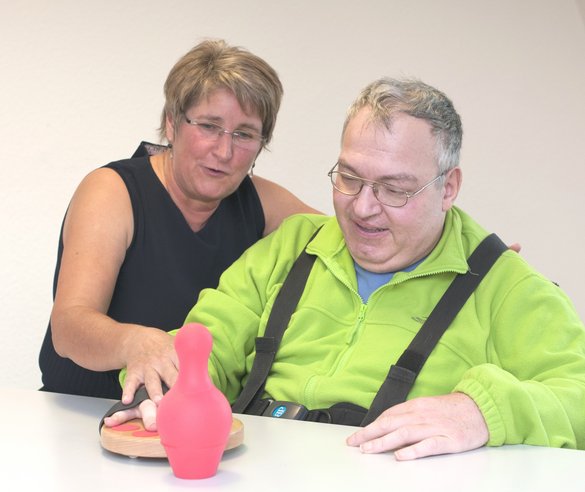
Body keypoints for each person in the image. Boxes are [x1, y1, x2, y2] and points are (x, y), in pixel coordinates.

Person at [104, 77, 585, 460]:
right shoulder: (292, 245)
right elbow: (209, 342)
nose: (363, 208)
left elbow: (576, 392)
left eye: (395, 189)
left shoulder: (505, 284)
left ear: (449, 188)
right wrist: (168, 390)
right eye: (349, 178)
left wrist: (482, 411)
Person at [38, 39, 319, 402]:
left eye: (244, 134)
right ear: (171, 123)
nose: (225, 151)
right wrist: (137, 343)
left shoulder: (262, 203)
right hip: (80, 411)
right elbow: (68, 327)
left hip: (188, 419)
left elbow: (350, 238)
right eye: (209, 126)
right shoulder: (113, 191)